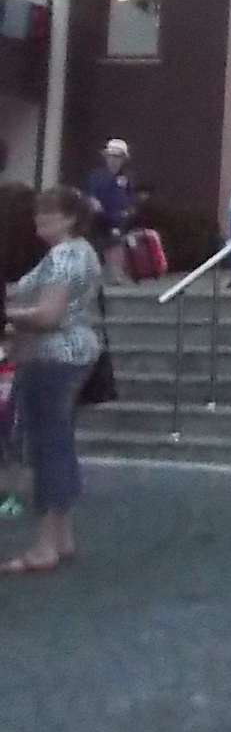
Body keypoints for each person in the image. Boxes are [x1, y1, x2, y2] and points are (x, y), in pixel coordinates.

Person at [2, 187, 103, 575]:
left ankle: (45, 545)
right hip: (73, 354)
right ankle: (61, 535)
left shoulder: (62, 257)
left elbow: (48, 315)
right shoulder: (81, 252)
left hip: (52, 357)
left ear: (71, 218)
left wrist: (8, 317)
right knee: (59, 442)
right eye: (39, 213)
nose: (40, 220)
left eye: (49, 214)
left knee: (47, 447)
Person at [83, 138, 137, 287]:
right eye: (111, 156)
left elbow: (129, 196)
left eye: (118, 157)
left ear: (123, 160)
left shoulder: (126, 178)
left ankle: (116, 276)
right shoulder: (97, 176)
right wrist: (94, 204)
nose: (114, 160)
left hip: (117, 218)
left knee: (116, 244)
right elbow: (90, 195)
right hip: (98, 218)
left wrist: (129, 209)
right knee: (96, 247)